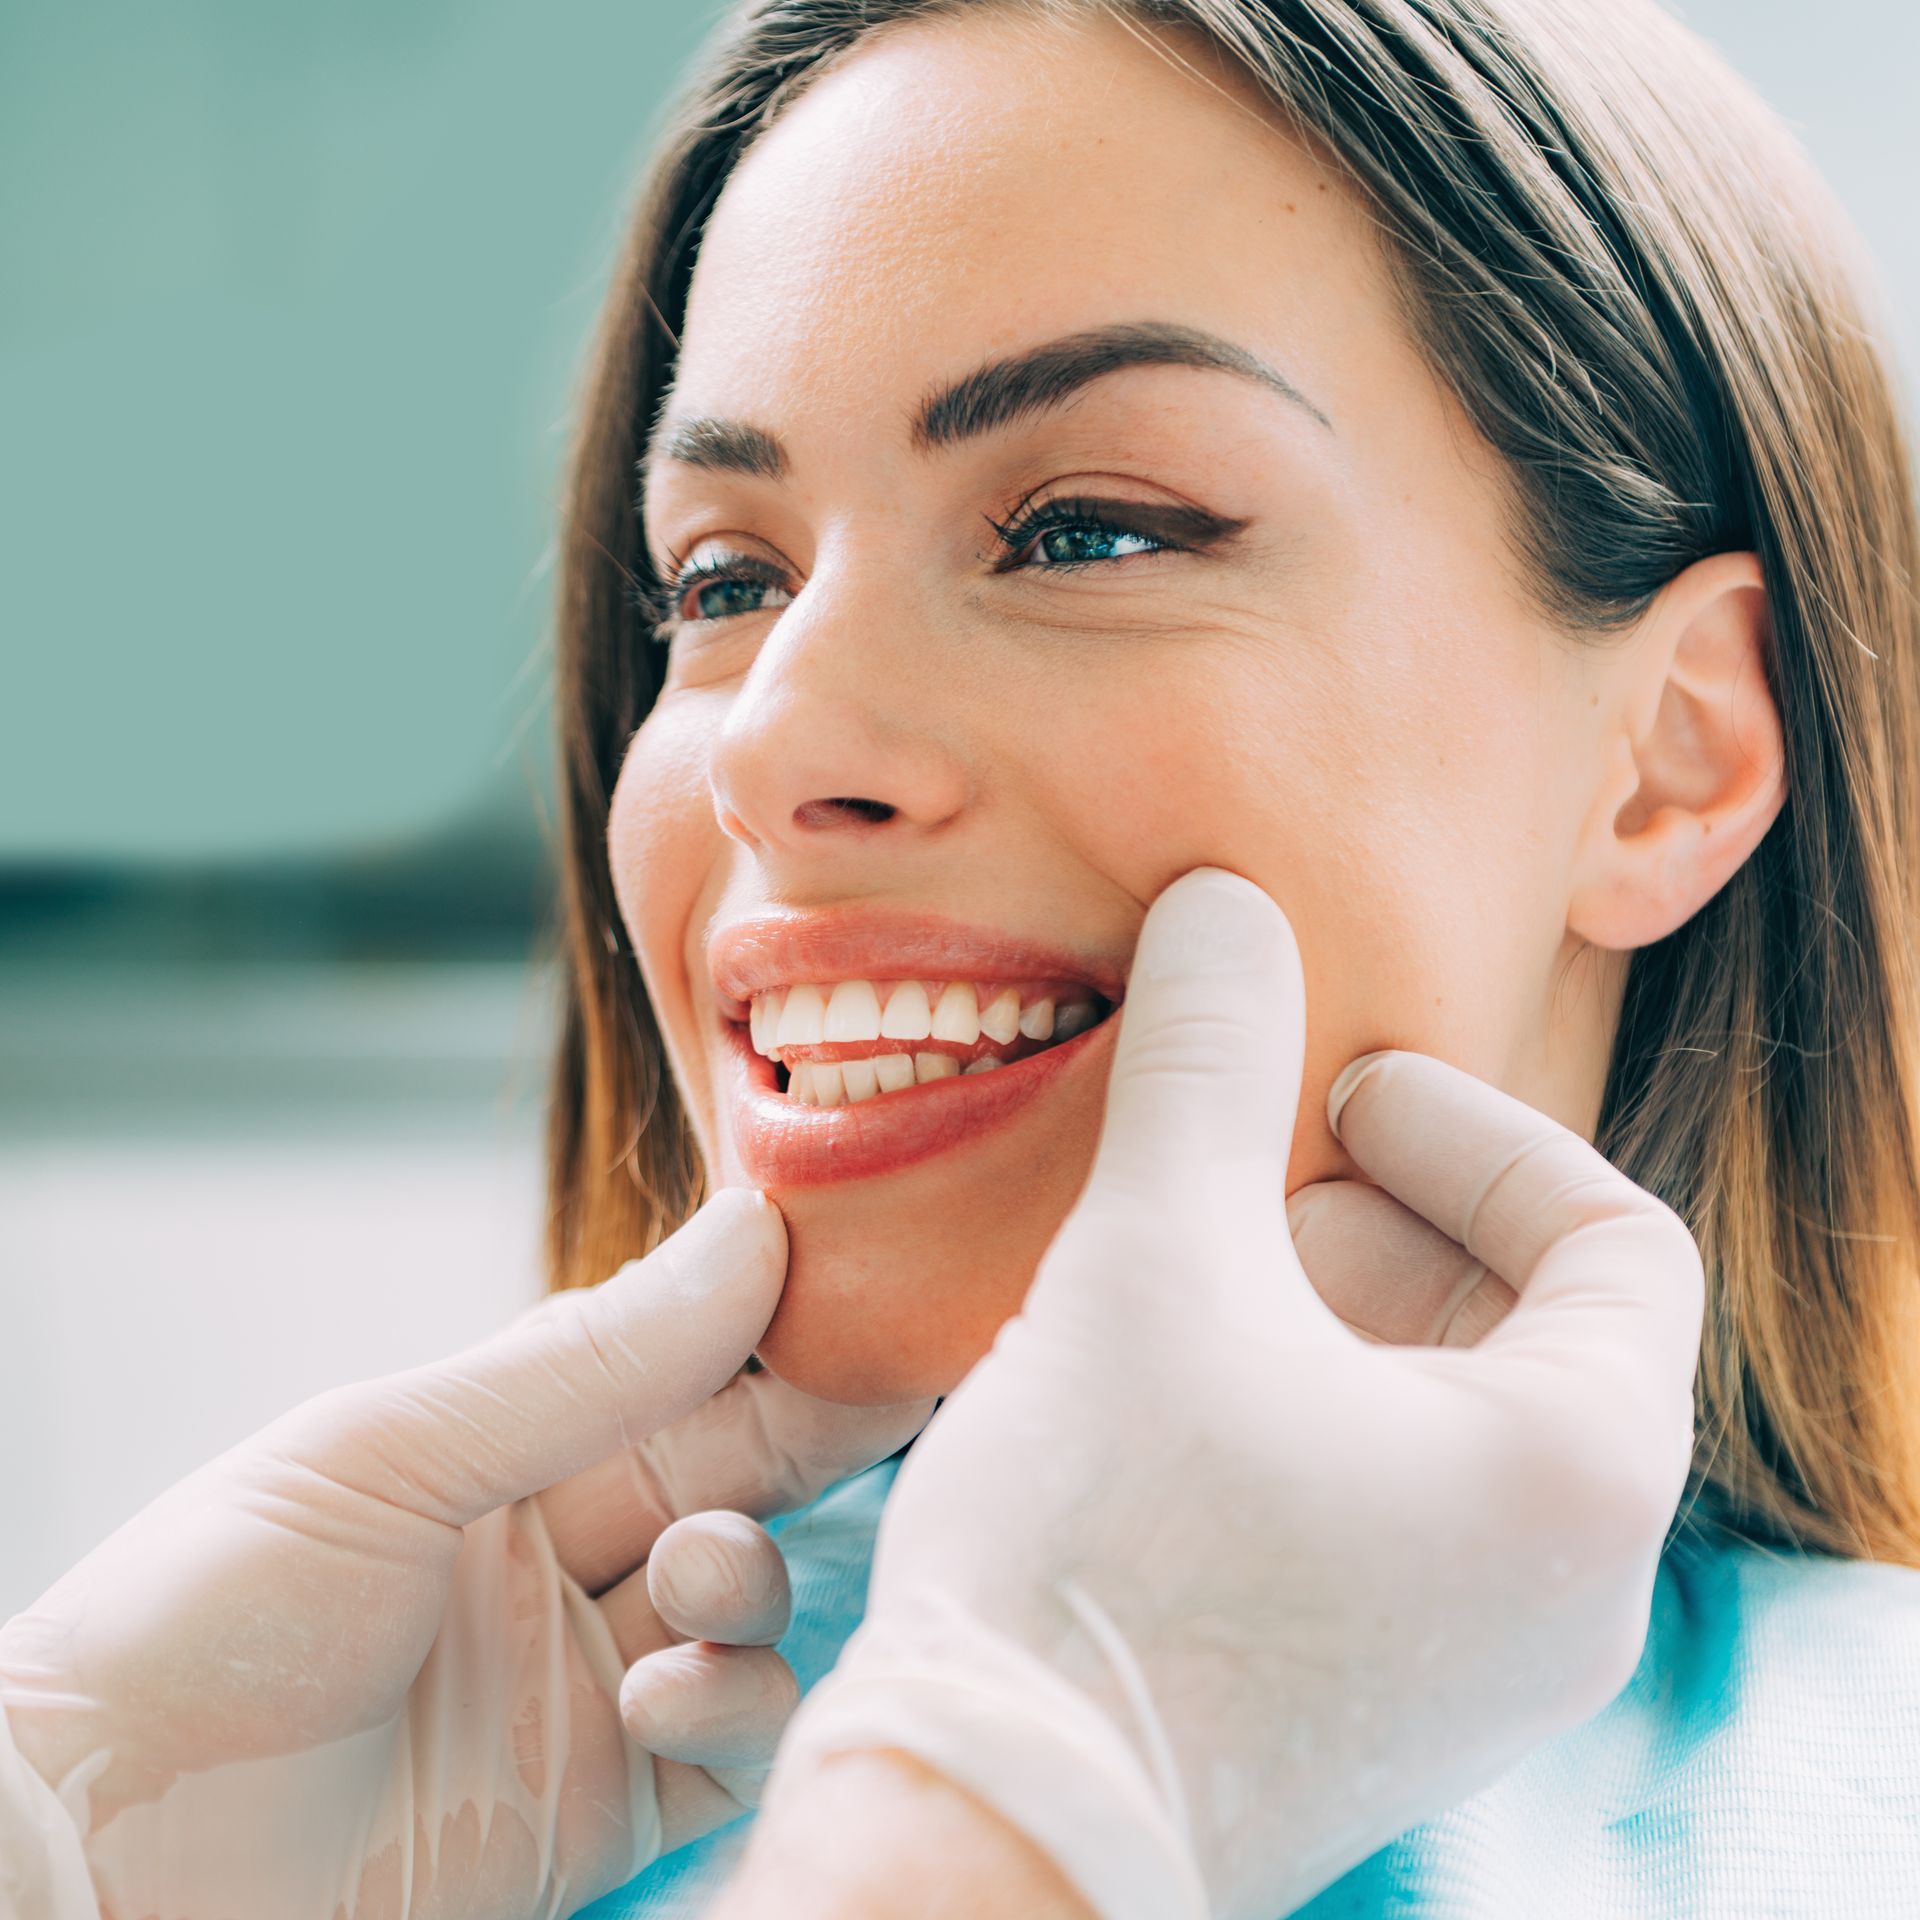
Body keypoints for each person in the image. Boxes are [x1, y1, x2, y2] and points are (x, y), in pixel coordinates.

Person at [6, 0, 1920, 1911]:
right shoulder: (348, 1804)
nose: (768, 741)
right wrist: (67, 1833)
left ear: (1671, 761)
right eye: (724, 583)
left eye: (1090, 532)